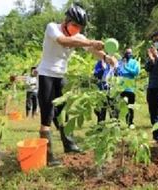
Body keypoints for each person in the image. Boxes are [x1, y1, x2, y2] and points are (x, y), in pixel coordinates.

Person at [37, 4, 117, 166]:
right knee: (47, 116)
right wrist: (91, 42)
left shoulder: (79, 36)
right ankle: (49, 155)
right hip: (46, 75)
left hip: (61, 77)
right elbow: (64, 41)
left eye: (79, 27)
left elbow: (92, 50)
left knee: (63, 113)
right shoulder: (52, 28)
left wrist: (107, 58)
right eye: (74, 25)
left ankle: (69, 144)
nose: (76, 29)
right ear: (66, 21)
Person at [117, 48, 140, 129]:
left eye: (130, 53)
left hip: (130, 88)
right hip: (119, 88)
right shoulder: (120, 62)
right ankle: (117, 124)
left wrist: (126, 67)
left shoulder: (134, 62)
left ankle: (130, 122)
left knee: (130, 106)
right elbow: (117, 71)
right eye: (127, 53)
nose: (128, 54)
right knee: (118, 107)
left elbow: (135, 72)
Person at [93, 59, 118, 123]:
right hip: (102, 89)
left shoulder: (115, 61)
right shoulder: (100, 63)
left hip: (112, 89)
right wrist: (103, 69)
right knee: (101, 109)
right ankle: (100, 125)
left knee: (113, 108)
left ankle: (114, 125)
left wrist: (116, 70)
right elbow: (96, 73)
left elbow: (120, 73)